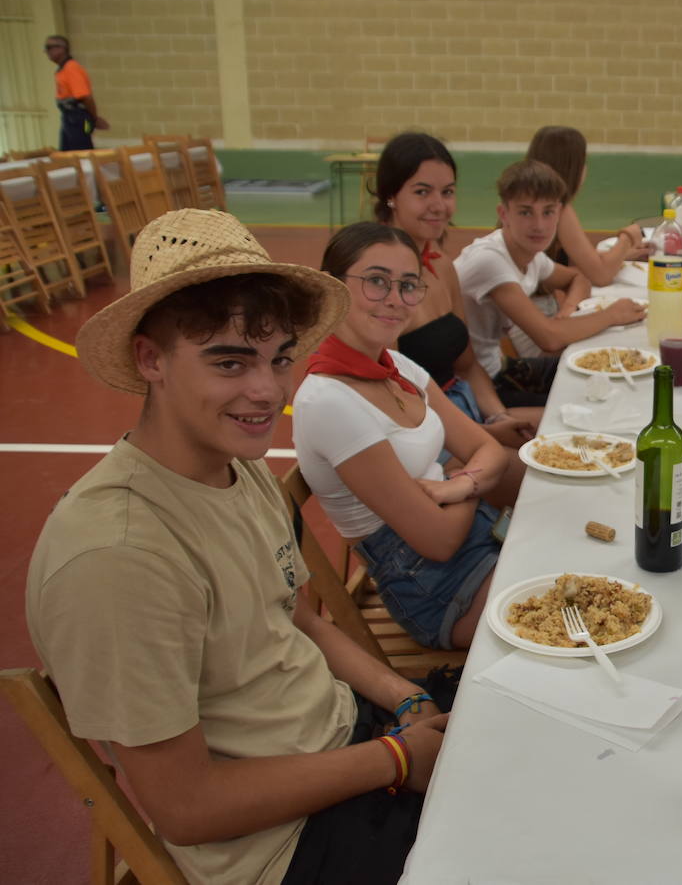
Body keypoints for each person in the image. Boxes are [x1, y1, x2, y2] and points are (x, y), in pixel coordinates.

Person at [27, 209, 451, 884]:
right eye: (229, 361)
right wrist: (396, 760)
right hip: (286, 844)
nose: (267, 391)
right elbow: (188, 808)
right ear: (149, 358)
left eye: (280, 359)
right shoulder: (118, 557)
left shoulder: (238, 465)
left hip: (351, 739)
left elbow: (297, 617)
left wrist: (404, 700)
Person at [293, 221, 509, 651]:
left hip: (479, 536)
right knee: (573, 604)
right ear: (332, 288)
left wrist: (460, 481)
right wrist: (463, 477)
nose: (395, 300)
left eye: (408, 285)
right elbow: (439, 542)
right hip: (438, 590)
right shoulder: (329, 402)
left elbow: (490, 451)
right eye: (376, 281)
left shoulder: (396, 364)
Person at [374, 131, 532, 503]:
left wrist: (495, 417)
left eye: (447, 192)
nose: (439, 205)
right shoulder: (377, 283)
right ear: (391, 195)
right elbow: (395, 400)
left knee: (567, 435)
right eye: (422, 191)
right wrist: (483, 433)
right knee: (546, 483)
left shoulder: (442, 267)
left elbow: (468, 365)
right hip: (424, 439)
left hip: (467, 414)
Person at [457, 159, 646, 407]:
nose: (539, 225)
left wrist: (567, 311)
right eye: (526, 212)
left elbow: (578, 277)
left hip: (501, 367)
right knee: (593, 402)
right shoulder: (491, 260)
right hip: (477, 386)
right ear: (504, 214)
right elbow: (549, 339)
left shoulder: (530, 254)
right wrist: (612, 315)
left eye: (548, 212)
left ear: (559, 213)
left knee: (615, 373)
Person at [526, 125, 649, 287]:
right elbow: (601, 276)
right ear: (573, 168)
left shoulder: (527, 196)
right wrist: (627, 237)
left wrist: (621, 254)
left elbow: (571, 260)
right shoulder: (557, 208)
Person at [44, 34, 107, 151]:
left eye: (49, 48)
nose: (46, 51)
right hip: (69, 117)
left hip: (80, 118)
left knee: (81, 150)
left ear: (61, 48)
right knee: (66, 151)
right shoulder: (62, 70)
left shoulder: (71, 68)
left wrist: (93, 119)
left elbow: (86, 97)